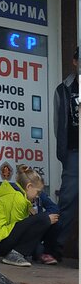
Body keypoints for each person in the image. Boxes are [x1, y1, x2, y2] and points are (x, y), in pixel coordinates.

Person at [0, 165, 58, 267]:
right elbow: (20, 228)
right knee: (43, 219)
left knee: (42, 219)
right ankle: (15, 255)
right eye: (37, 192)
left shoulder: (17, 195)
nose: (38, 196)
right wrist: (41, 219)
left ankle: (25, 253)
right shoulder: (18, 198)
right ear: (29, 187)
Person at [53, 47, 79, 260]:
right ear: (74, 61)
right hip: (74, 151)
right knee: (68, 199)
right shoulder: (64, 89)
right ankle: (56, 248)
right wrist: (63, 151)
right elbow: (58, 124)